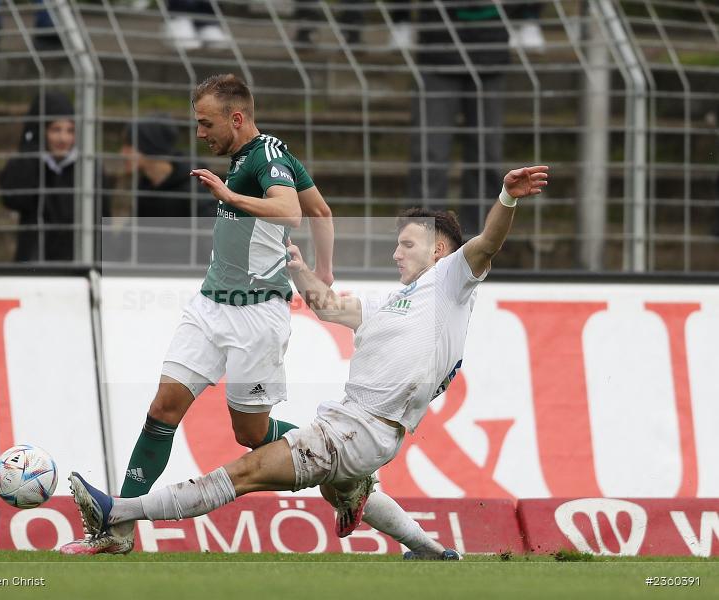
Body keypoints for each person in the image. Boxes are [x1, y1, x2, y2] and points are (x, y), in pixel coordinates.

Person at [60, 165, 550, 558]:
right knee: (339, 484)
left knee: (242, 474)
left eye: (406, 242)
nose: (395, 251)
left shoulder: (451, 283)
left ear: (440, 248)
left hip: (362, 431)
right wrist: (298, 269)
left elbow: (488, 242)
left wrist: (506, 198)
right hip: (350, 423)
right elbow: (328, 305)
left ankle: (116, 511)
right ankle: (430, 549)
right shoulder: (390, 304)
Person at [61, 73, 334, 554]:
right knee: (162, 409)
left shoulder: (267, 156)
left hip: (256, 315)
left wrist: (229, 197)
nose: (200, 133)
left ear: (236, 117)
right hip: (210, 306)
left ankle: (340, 455)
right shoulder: (258, 155)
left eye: (207, 124)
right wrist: (325, 271)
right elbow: (322, 212)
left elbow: (292, 212)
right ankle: (118, 528)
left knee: (250, 434)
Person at [408, 2, 511, 236]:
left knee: (486, 156)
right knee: (429, 156)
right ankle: (425, 242)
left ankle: (481, 244)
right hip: (437, 49)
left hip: (490, 51)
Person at [0, 90, 112, 262]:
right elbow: (13, 199)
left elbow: (103, 219)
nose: (63, 138)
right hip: (35, 260)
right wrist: (31, 151)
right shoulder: (28, 163)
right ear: (41, 130)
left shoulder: (89, 168)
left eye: (70, 130)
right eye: (55, 129)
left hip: (78, 261)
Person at [119, 114, 212, 264]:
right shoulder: (144, 187)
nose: (122, 154)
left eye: (129, 146)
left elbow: (212, 246)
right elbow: (124, 245)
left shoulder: (195, 189)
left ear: (148, 146)